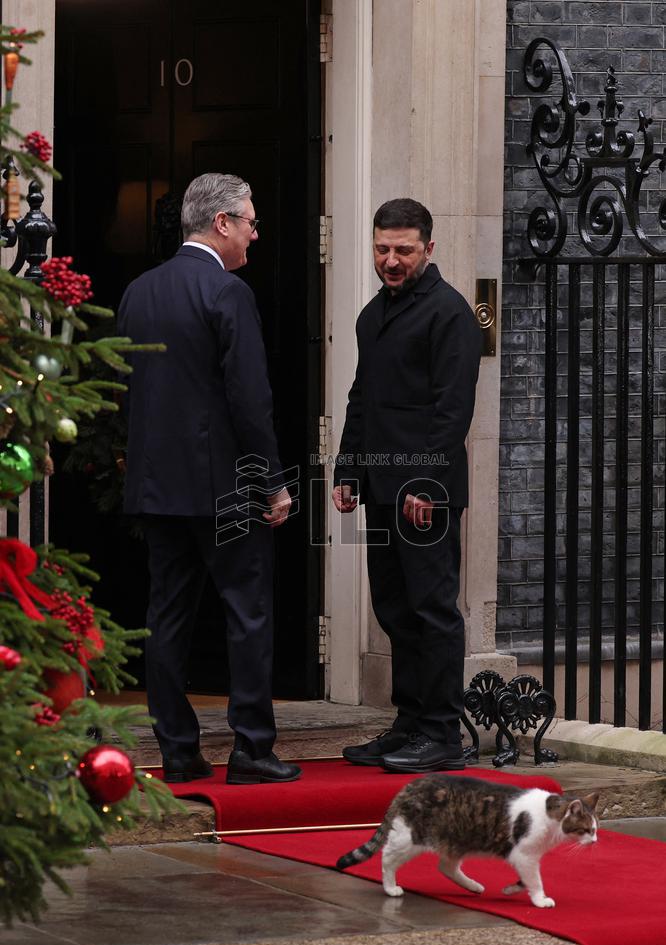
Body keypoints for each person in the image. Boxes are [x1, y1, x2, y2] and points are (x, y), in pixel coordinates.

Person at [120, 173, 300, 785]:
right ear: (221, 223)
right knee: (247, 614)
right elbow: (250, 399)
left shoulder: (138, 292)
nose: (255, 232)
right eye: (250, 221)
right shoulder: (228, 291)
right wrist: (272, 482)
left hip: (158, 487)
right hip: (225, 488)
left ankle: (177, 751)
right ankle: (251, 750)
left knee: (167, 616)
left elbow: (124, 390)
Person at [333, 198, 481, 774]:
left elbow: (453, 410)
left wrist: (425, 484)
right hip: (381, 487)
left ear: (428, 248)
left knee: (432, 609)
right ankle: (410, 723)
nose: (390, 260)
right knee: (394, 608)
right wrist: (348, 470)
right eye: (382, 249)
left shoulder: (450, 314)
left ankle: (441, 733)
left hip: (426, 493)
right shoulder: (372, 316)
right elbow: (362, 398)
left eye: (403, 250)